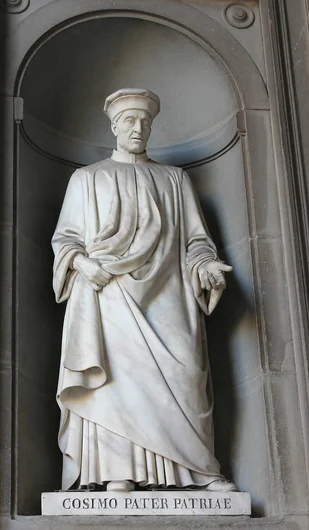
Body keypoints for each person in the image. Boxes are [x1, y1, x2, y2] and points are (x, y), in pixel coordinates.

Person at [52, 88, 236, 493]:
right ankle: (117, 471)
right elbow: (65, 238)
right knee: (116, 381)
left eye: (145, 122)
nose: (138, 128)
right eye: (130, 122)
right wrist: (82, 264)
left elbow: (196, 239)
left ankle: (197, 470)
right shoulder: (87, 178)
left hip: (170, 293)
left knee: (186, 374)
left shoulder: (174, 179)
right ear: (114, 127)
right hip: (107, 294)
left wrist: (205, 265)